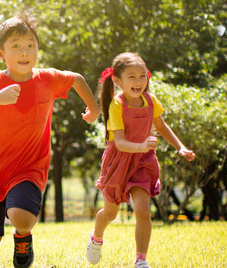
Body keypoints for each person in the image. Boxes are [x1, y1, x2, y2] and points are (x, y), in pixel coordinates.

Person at [0, 11, 100, 268]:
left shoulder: (46, 78)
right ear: (1, 54)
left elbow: (77, 80)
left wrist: (93, 110)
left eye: (30, 46)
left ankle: (22, 236)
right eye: (16, 46)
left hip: (29, 168)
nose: (25, 52)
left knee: (22, 217)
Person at [85, 52, 196, 268]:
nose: (138, 82)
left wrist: (181, 147)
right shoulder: (116, 105)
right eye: (132, 77)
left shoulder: (150, 100)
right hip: (119, 161)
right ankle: (96, 238)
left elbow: (162, 126)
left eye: (142, 76)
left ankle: (141, 259)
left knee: (143, 210)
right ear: (118, 81)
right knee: (110, 212)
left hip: (143, 161)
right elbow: (120, 143)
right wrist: (142, 146)